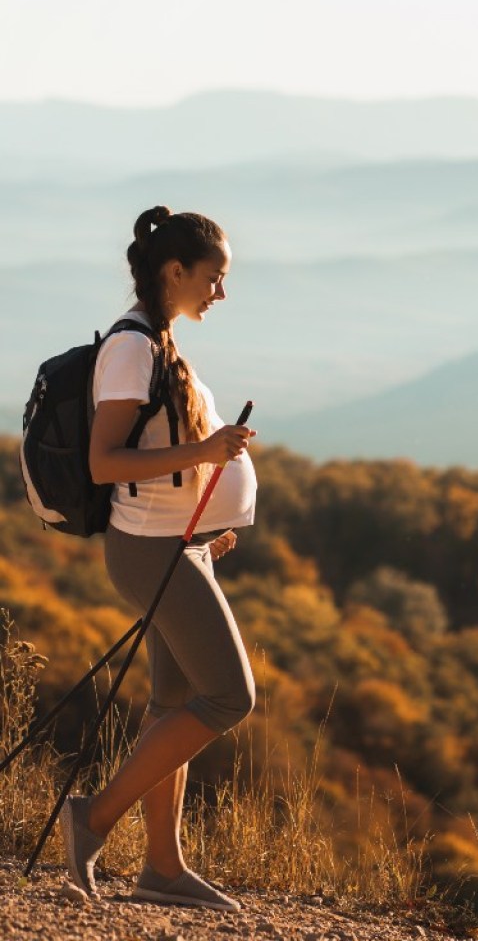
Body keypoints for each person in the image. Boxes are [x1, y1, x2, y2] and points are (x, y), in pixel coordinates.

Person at [59, 206, 258, 912]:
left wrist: (203, 527)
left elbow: (157, 463)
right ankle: (94, 817)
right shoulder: (133, 349)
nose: (220, 294)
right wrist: (208, 453)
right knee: (230, 696)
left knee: (173, 703)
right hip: (146, 551)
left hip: (177, 546)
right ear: (175, 271)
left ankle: (162, 871)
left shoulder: (163, 341)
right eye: (214, 278)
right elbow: (106, 461)